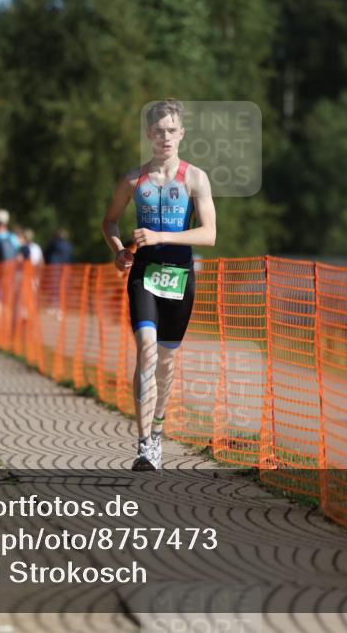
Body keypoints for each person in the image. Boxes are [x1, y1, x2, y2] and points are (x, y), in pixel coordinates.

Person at [102, 99, 217, 471]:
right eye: (159, 130)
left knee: (166, 363)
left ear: (181, 134)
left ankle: (159, 425)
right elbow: (110, 223)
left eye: (172, 130)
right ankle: (144, 444)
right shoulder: (134, 179)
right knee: (147, 352)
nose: (165, 137)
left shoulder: (195, 178)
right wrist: (120, 250)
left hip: (180, 276)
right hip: (145, 275)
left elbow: (210, 234)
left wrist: (161, 235)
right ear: (149, 134)